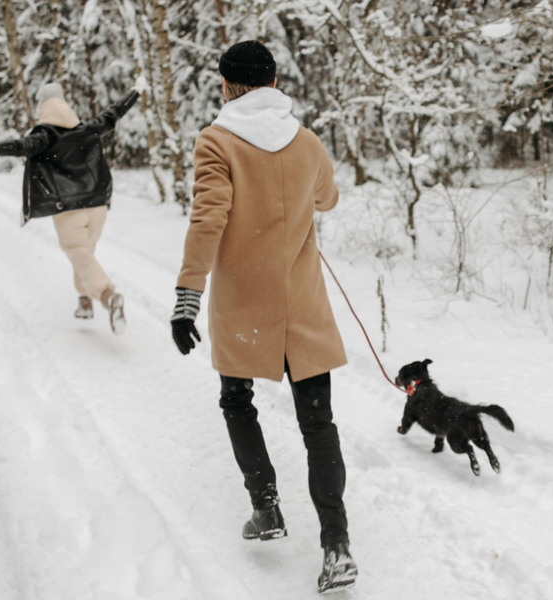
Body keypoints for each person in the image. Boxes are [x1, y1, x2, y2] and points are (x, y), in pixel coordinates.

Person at [170, 40, 358, 594]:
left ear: (227, 85)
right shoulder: (306, 141)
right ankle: (337, 547)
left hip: (245, 306)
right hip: (301, 304)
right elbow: (327, 198)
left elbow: (208, 217)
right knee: (318, 425)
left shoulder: (217, 140)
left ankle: (267, 509)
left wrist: (187, 296)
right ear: (275, 83)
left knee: (237, 400)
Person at [0, 77, 147, 334]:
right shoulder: (86, 129)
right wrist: (135, 92)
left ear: (43, 106)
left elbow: (24, 146)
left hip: (68, 208)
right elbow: (113, 113)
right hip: (98, 206)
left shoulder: (45, 136)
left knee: (79, 253)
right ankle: (84, 302)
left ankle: (108, 296)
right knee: (85, 253)